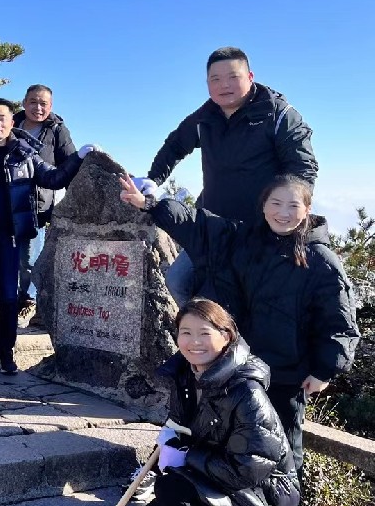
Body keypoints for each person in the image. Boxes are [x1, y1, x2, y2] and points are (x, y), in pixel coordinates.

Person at [120, 173, 358, 481]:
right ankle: (195, 482)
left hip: (286, 371)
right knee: (217, 427)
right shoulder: (242, 239)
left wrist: (325, 369)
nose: (283, 213)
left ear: (307, 210)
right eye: (275, 203)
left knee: (282, 440)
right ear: (263, 206)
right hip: (236, 364)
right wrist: (150, 205)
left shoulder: (320, 260)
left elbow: (339, 320)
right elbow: (198, 224)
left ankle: (282, 504)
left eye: (293, 205)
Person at [136, 47, 318, 306]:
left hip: (261, 227)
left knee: (249, 297)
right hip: (212, 224)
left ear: (250, 76)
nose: (224, 85)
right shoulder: (206, 116)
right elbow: (176, 145)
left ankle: (239, 343)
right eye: (215, 79)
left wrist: (286, 213)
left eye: (233, 77)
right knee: (179, 281)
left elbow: (302, 167)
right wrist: (153, 179)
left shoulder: (278, 114)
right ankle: (212, 341)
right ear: (207, 83)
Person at [138, 298, 300, 506]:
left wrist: (188, 458)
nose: (194, 342)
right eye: (186, 332)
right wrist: (162, 457)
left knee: (172, 489)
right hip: (217, 477)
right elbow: (179, 428)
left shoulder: (246, 392)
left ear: (226, 337)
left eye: (205, 333)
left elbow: (250, 467)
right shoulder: (186, 376)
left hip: (264, 497)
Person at [0, 98, 95, 375]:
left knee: (10, 298)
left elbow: (55, 178)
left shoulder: (25, 154)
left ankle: (6, 354)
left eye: (2, 118)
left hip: (10, 239)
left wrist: (78, 158)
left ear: (13, 122)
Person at [12, 85, 76, 319]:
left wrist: (75, 201)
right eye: (33, 102)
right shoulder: (11, 125)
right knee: (9, 257)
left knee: (29, 259)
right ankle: (10, 301)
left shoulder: (57, 130)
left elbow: (70, 165)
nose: (38, 108)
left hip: (36, 204)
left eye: (43, 104)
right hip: (6, 202)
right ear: (24, 102)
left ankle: (29, 302)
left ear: (50, 107)